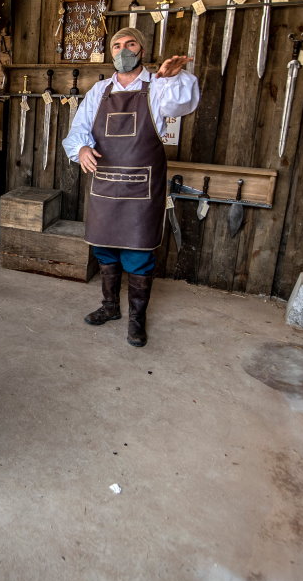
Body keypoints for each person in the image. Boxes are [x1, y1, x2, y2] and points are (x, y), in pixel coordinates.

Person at [62, 26, 201, 348]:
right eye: (117, 45)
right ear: (111, 52)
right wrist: (81, 149)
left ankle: (137, 319)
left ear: (141, 49)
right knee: (103, 249)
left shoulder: (158, 87)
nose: (123, 50)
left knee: (138, 254)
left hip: (142, 189)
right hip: (105, 185)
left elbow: (182, 105)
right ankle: (110, 306)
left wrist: (168, 78)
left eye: (130, 44)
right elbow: (78, 130)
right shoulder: (99, 91)